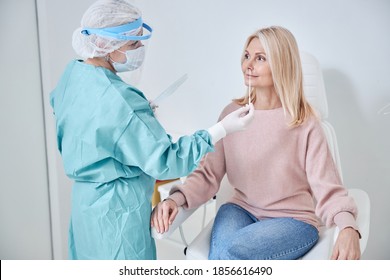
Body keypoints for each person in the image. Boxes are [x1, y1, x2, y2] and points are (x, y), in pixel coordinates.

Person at [50, 0, 254, 260]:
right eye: (133, 43)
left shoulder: (73, 75)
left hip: (86, 209)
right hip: (117, 216)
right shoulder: (121, 101)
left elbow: (81, 126)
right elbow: (168, 161)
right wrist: (221, 129)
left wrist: (131, 125)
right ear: (104, 45)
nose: (140, 48)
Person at [151, 26, 361, 260]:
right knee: (222, 255)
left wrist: (348, 227)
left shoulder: (304, 123)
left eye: (260, 58)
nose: (248, 65)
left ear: (281, 64)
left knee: (231, 254)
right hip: (240, 210)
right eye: (247, 56)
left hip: (292, 221)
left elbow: (328, 187)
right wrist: (175, 199)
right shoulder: (232, 116)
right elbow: (207, 175)